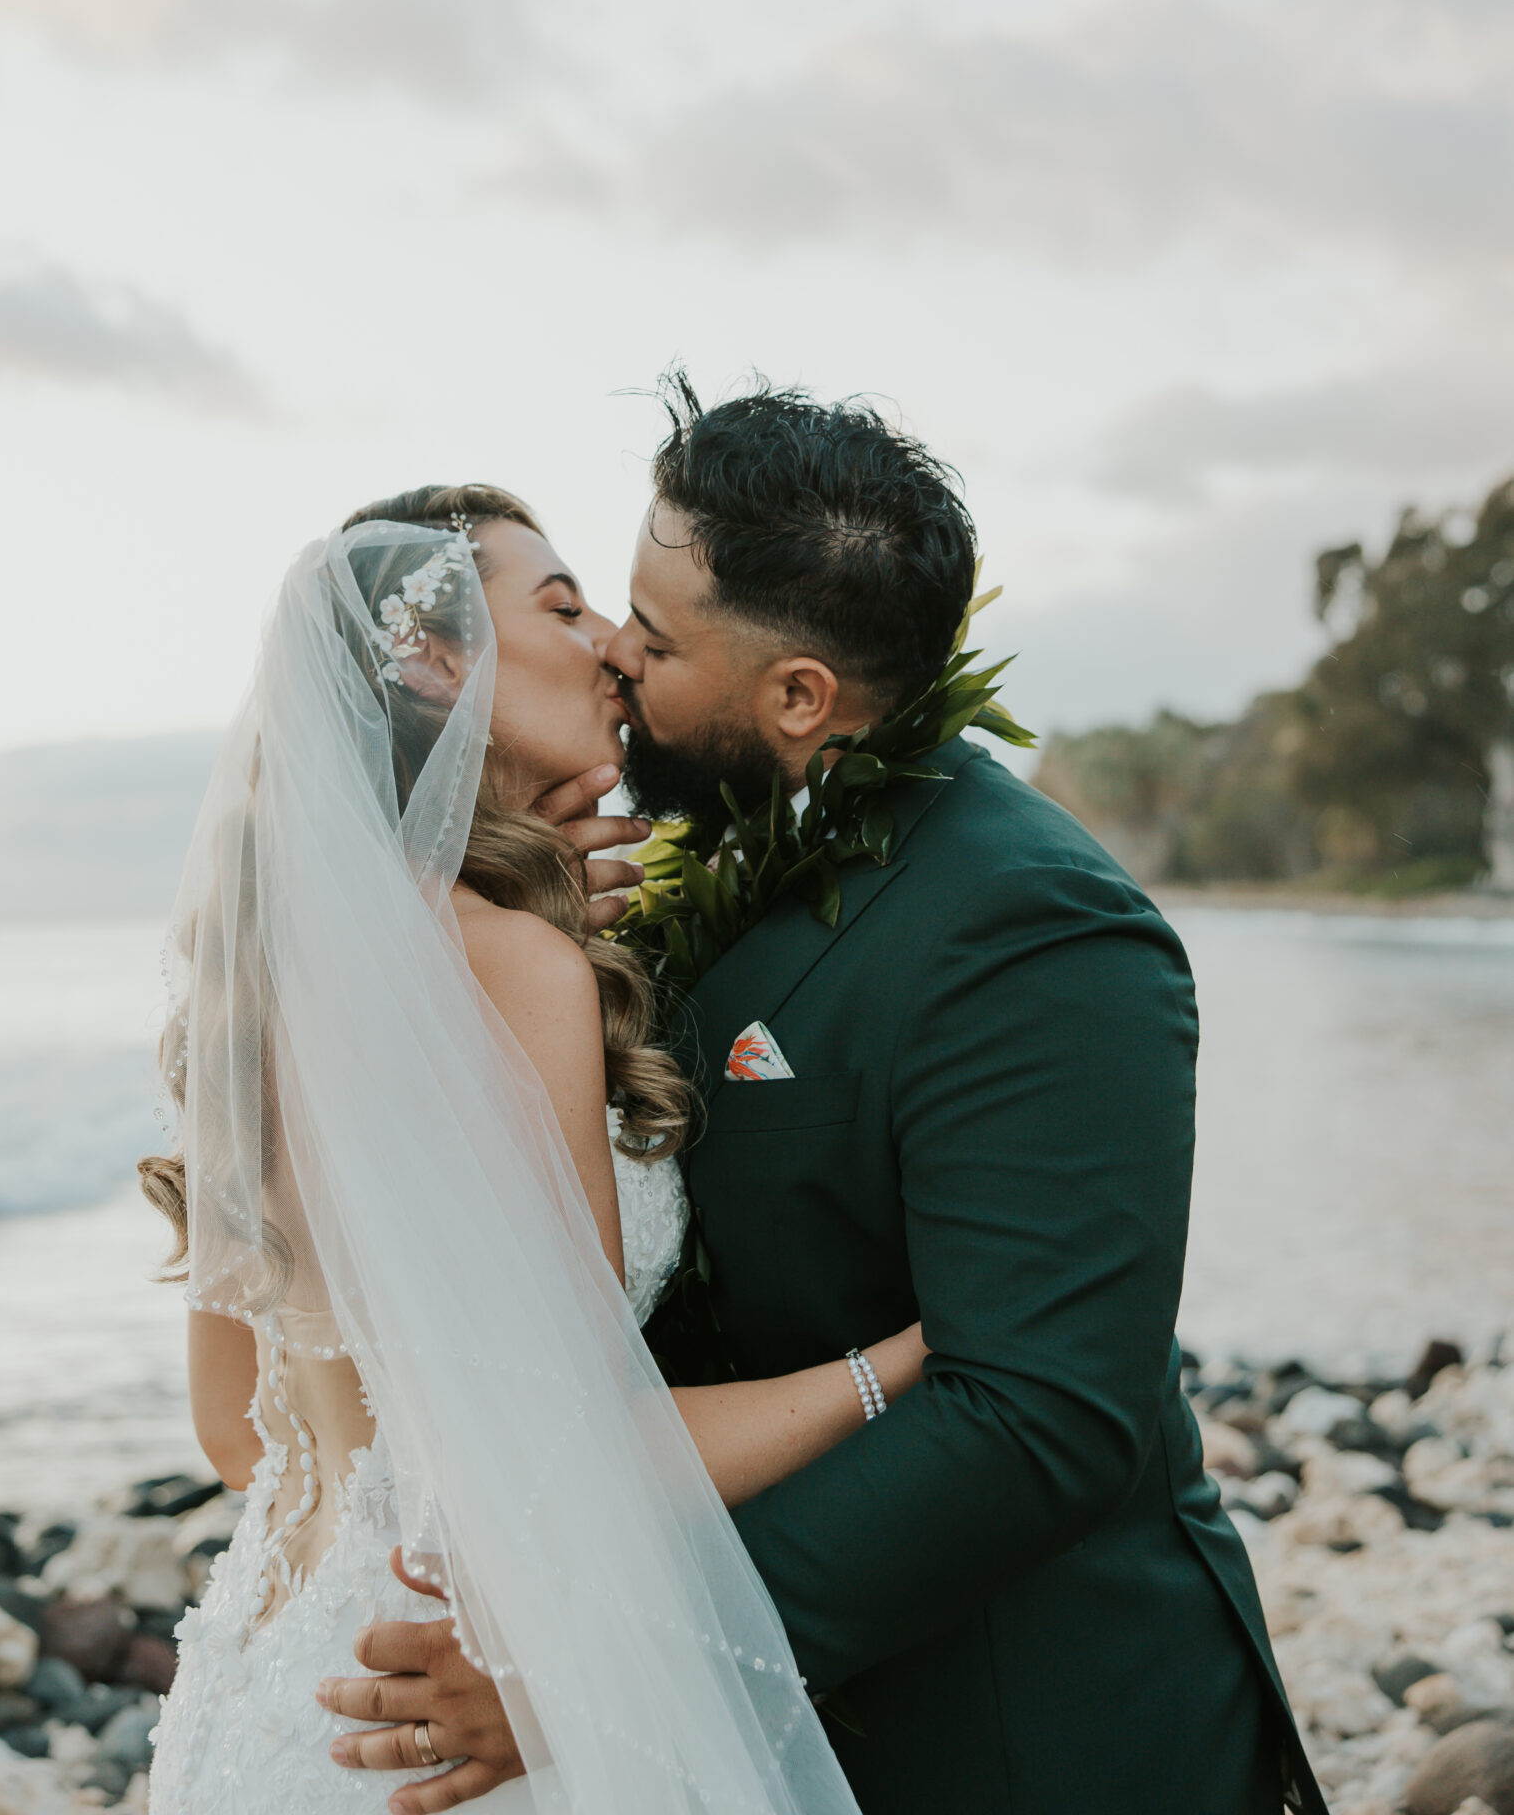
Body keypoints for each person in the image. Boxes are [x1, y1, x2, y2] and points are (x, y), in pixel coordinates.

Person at [330, 392, 1327, 1815]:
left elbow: (1037, 1419)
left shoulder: (1034, 926)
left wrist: (616, 1666)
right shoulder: (659, 875)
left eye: (656, 636)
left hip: (1018, 1734)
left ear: (799, 697)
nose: (614, 649)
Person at [142, 483, 917, 1815]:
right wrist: (904, 1361)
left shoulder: (255, 986)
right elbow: (595, 1459)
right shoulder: (527, 969)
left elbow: (234, 1426)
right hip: (460, 1694)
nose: (614, 640)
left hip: (275, 1689)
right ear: (436, 659)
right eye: (560, 606)